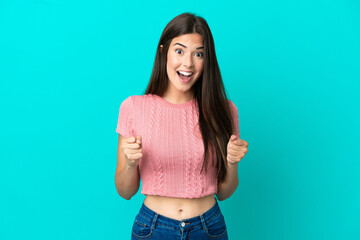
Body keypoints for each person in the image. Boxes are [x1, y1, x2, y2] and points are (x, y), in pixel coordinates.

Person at [115, 12, 249, 240]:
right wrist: (129, 163)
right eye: (179, 50)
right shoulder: (133, 108)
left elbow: (225, 192)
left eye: (198, 54)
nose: (188, 63)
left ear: (208, 60)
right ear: (163, 51)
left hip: (209, 227)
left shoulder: (224, 111)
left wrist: (232, 162)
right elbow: (125, 191)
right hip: (153, 229)